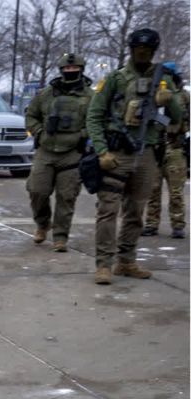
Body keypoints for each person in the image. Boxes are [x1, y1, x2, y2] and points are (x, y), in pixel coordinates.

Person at [84, 28, 184, 285]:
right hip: (117, 153)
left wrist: (168, 98)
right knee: (108, 210)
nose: (142, 53)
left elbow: (178, 116)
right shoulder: (115, 78)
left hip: (148, 153)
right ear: (130, 49)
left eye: (148, 50)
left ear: (153, 51)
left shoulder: (164, 79)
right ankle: (104, 264)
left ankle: (126, 261)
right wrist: (102, 150)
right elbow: (94, 116)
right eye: (138, 49)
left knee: (136, 211)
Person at [25, 52, 94, 252]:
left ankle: (60, 236)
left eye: (74, 69)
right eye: (67, 68)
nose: (70, 71)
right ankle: (42, 223)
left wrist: (82, 134)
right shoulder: (46, 94)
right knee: (37, 190)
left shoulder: (90, 97)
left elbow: (97, 121)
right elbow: (31, 115)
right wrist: (38, 132)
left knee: (67, 196)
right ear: (61, 70)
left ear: (81, 70)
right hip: (46, 150)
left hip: (73, 153)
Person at [142, 61, 189, 239]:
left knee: (176, 191)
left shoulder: (183, 96)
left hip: (175, 147)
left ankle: (178, 225)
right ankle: (151, 224)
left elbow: (186, 119)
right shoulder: (150, 96)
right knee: (152, 190)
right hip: (154, 147)